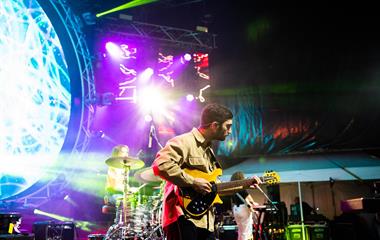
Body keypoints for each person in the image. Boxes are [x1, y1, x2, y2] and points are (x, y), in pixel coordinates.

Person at [152, 103, 233, 240]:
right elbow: (160, 165)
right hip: (183, 217)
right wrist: (193, 181)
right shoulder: (184, 141)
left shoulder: (209, 151)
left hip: (206, 221)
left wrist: (246, 185)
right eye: (228, 126)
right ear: (214, 125)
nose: (230, 131)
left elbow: (210, 187)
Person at [230, 171, 260, 240]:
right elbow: (249, 200)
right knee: (246, 232)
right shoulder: (242, 188)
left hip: (236, 210)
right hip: (243, 209)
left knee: (241, 232)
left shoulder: (233, 189)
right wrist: (254, 206)